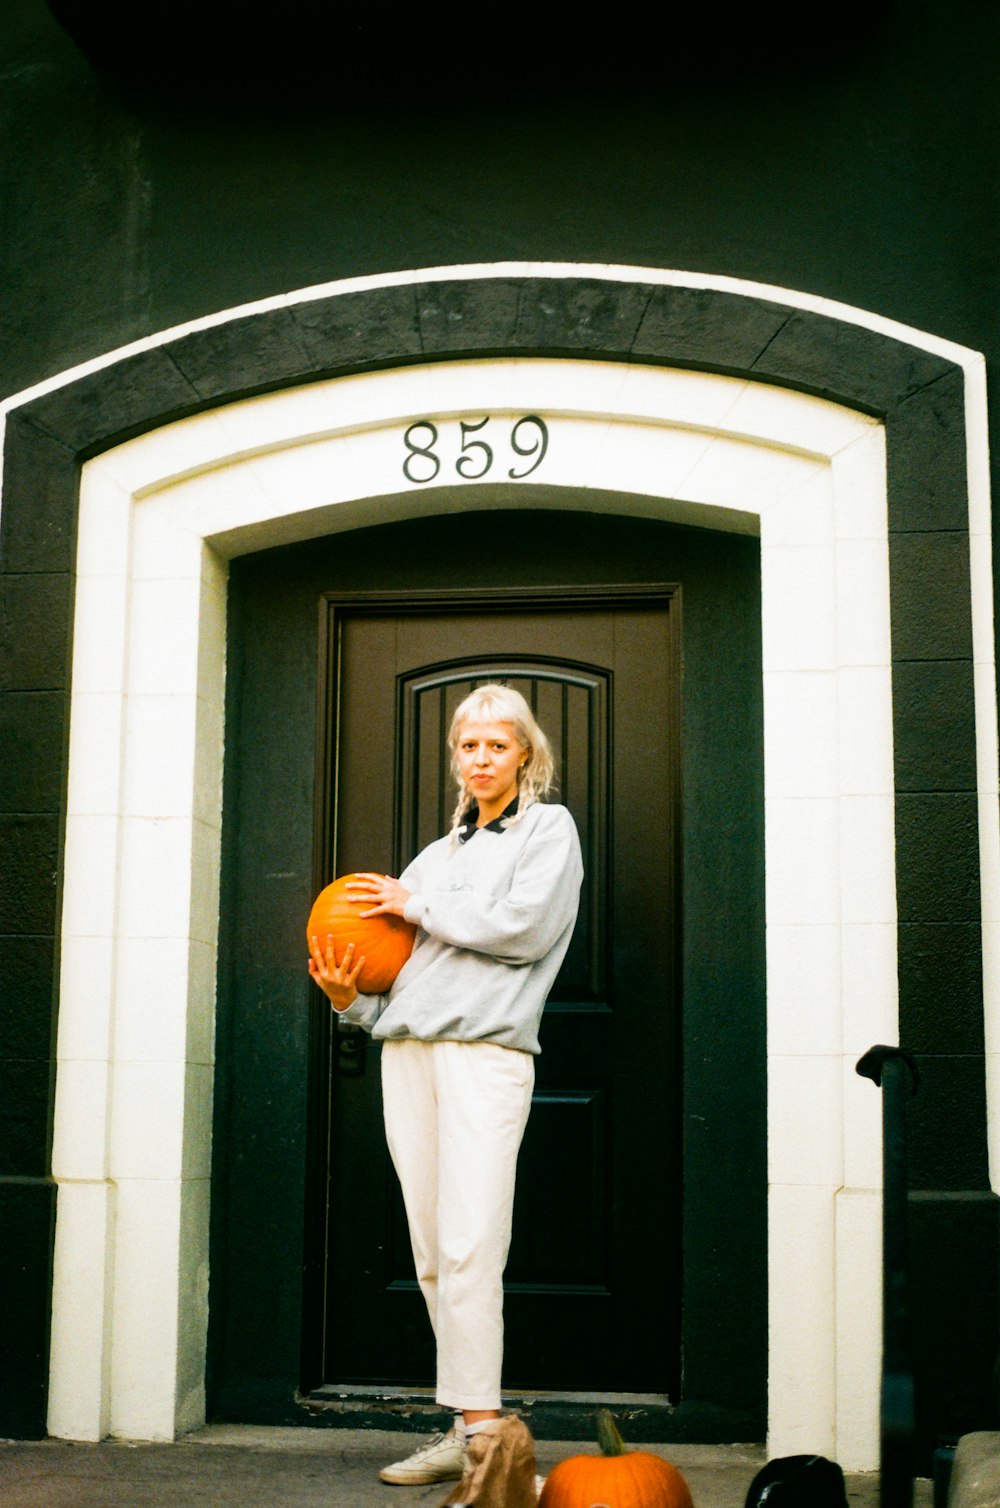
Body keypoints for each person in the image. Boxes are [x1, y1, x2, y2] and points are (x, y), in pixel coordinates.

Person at [308, 683, 583, 1486]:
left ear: (524, 753)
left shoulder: (547, 831)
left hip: (483, 1059)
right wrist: (350, 1001)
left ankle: (489, 1448)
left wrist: (415, 904)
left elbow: (524, 931)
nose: (481, 758)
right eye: (468, 745)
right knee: (433, 1251)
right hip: (410, 1054)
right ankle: (469, 1426)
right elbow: (404, 981)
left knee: (471, 1245)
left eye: (497, 744)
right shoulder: (436, 855)